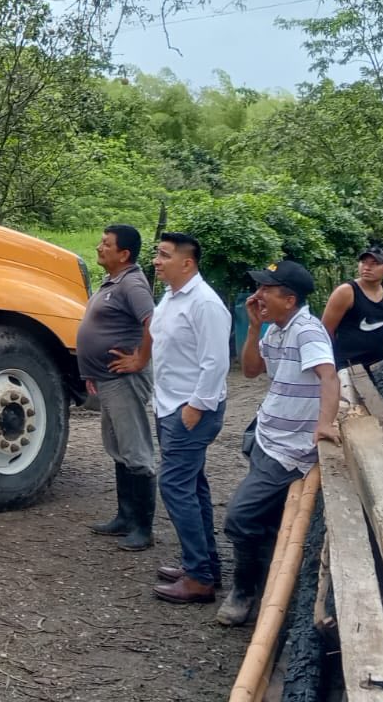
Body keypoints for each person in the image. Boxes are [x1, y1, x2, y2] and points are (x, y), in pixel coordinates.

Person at [219, 259, 340, 627]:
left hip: (289, 450)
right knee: (267, 519)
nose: (258, 295)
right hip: (266, 436)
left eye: (266, 290)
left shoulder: (307, 331)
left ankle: (244, 590)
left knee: (239, 518)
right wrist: (254, 327)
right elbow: (251, 370)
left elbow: (329, 376)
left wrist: (324, 425)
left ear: (289, 299)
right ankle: (269, 588)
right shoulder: (276, 329)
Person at [145, 233, 231, 605]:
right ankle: (205, 565)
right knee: (193, 485)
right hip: (169, 405)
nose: (157, 261)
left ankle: (199, 578)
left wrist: (196, 406)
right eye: (157, 254)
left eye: (164, 255)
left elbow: (216, 362)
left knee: (175, 486)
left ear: (187, 263)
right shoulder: (171, 296)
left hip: (191, 409)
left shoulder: (205, 304)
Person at [77, 224, 157, 551]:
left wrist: (140, 359)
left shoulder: (132, 283)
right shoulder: (113, 281)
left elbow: (153, 322)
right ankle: (125, 517)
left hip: (125, 380)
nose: (99, 247)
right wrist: (91, 370)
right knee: (118, 447)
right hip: (107, 379)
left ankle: (143, 528)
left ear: (124, 254)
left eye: (106, 244)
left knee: (135, 450)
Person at [322, 244, 383, 373]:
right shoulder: (346, 292)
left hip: (380, 367)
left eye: (374, 263)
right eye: (363, 262)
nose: (367, 267)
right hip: (349, 368)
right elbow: (325, 331)